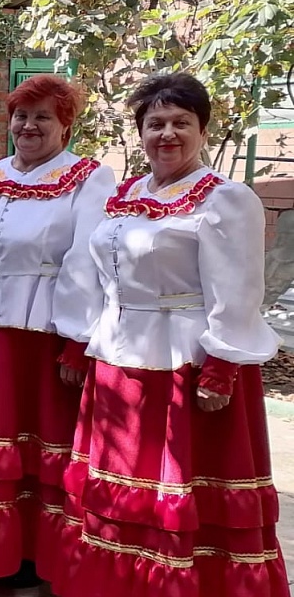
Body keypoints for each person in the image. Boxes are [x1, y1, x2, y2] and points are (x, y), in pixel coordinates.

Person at [52, 73, 288, 597]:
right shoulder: (128, 194)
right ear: (140, 133)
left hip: (186, 365)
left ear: (203, 130)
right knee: (120, 489)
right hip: (118, 362)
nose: (167, 134)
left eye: (181, 122)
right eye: (155, 123)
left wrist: (222, 365)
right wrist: (80, 337)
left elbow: (239, 285)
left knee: (178, 489)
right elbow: (98, 275)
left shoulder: (225, 199)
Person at [0, 75, 115, 586]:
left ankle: (45, 559)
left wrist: (75, 339)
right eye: (21, 116)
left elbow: (86, 259)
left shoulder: (88, 178)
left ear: (65, 125)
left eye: (42, 117)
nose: (28, 126)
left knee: (46, 446)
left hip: (49, 333)